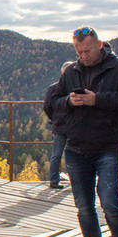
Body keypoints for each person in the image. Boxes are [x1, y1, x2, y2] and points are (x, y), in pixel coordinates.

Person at [50, 26, 118, 237]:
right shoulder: (72, 71)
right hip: (76, 147)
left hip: (107, 147)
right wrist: (70, 101)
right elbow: (54, 102)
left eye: (87, 50)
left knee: (109, 203)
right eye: (78, 51)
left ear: (99, 45)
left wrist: (96, 99)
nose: (83, 56)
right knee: (84, 208)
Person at [43, 61, 74, 189]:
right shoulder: (76, 88)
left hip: (61, 125)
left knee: (57, 154)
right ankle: (75, 180)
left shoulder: (53, 87)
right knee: (72, 154)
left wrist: (54, 118)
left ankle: (54, 180)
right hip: (72, 125)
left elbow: (47, 107)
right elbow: (47, 106)